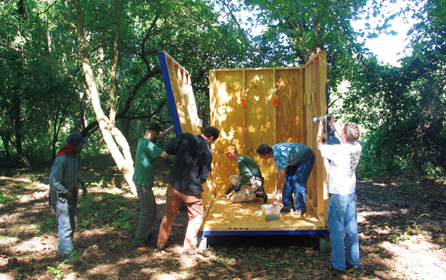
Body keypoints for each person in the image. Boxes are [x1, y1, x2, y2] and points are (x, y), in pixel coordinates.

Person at [157, 126, 220, 256]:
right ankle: (189, 249)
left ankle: (161, 244)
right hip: (191, 189)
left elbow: (169, 149)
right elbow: (203, 175)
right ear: (211, 138)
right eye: (213, 141)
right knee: (196, 217)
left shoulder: (185, 137)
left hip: (174, 184)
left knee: (169, 214)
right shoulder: (207, 152)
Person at [316, 118, 362, 272]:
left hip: (338, 196)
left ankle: (338, 266)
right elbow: (347, 140)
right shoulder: (357, 147)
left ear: (343, 135)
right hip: (351, 194)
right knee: (352, 230)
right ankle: (354, 262)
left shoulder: (338, 151)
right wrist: (334, 125)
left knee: (336, 232)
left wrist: (320, 128)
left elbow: (319, 145)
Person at [49, 132, 89, 259]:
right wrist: (65, 191)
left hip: (72, 194)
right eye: (81, 145)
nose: (82, 147)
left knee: (73, 223)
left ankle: (64, 248)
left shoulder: (76, 157)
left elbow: (76, 173)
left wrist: (83, 184)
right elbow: (53, 181)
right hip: (60, 197)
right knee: (65, 225)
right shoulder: (62, 160)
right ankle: (67, 254)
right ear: (74, 145)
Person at [132, 122, 169, 250]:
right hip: (143, 183)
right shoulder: (148, 144)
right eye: (156, 134)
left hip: (142, 182)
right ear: (153, 132)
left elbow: (160, 136)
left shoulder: (142, 141)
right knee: (147, 212)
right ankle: (139, 240)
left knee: (152, 209)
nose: (157, 137)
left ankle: (144, 235)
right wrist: (176, 145)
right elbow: (164, 155)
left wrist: (172, 128)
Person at [256, 142, 315, 215]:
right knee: (288, 181)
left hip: (306, 157)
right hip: (294, 160)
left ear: (266, 154)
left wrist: (277, 195)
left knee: (297, 181)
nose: (260, 158)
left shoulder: (279, 156)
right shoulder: (274, 151)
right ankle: (288, 206)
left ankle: (301, 208)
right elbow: (285, 178)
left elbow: (282, 178)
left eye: (261, 156)